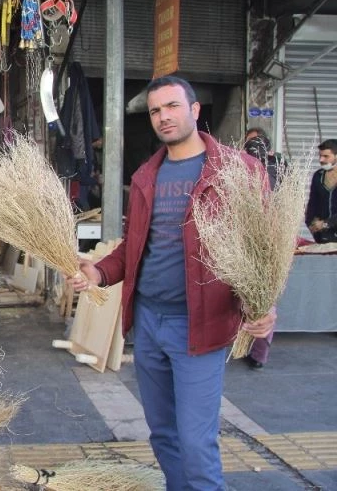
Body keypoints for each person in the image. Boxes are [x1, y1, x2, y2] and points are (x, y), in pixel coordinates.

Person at [67, 76, 276, 491]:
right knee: (163, 434)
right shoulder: (147, 175)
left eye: (172, 107)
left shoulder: (239, 172)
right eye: (155, 111)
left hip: (198, 325)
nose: (164, 117)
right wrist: (97, 271)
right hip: (148, 322)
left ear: (195, 111)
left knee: (197, 442)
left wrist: (266, 305)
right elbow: (134, 246)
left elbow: (265, 249)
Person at [241, 128, 287, 369]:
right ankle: (257, 353)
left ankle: (254, 351)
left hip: (260, 244)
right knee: (263, 298)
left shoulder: (248, 170)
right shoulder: (278, 167)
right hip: (268, 243)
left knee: (258, 297)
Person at [305, 138, 337, 244]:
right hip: (324, 238)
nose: (321, 160)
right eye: (320, 156)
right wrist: (311, 224)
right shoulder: (318, 176)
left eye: (326, 156)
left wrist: (326, 223)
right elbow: (312, 205)